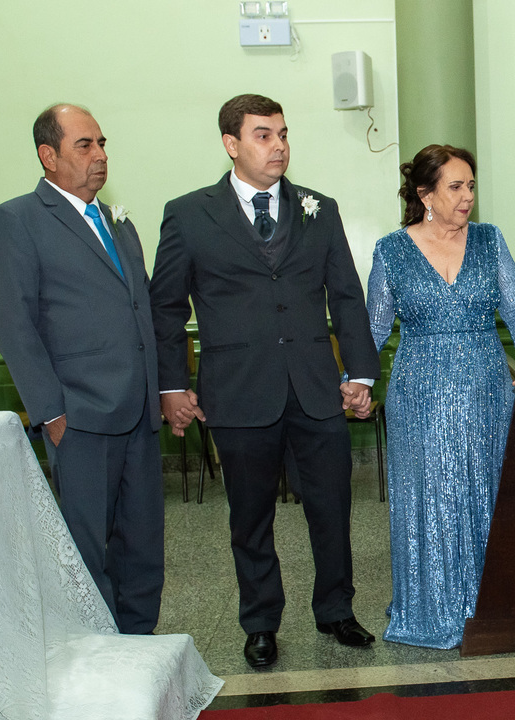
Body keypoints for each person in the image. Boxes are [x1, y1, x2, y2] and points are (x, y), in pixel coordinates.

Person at [149, 94, 379, 669]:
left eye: (282, 134)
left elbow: (347, 297)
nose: (278, 145)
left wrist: (360, 373)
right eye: (262, 135)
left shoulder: (317, 209)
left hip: (315, 388)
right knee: (249, 517)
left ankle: (336, 610)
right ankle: (260, 622)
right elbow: (167, 307)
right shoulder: (188, 213)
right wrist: (172, 384)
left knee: (331, 506)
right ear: (231, 144)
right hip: (238, 389)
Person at [366, 145, 515, 649]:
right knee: (430, 497)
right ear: (426, 194)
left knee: (484, 490)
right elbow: (373, 328)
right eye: (456, 187)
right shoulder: (391, 250)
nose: (468, 196)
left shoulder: (491, 241)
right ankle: (429, 607)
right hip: (419, 394)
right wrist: (356, 381)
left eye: (471, 185)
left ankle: (487, 601)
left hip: (485, 388)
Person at [0, 104, 164, 634]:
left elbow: (138, 310)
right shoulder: (16, 220)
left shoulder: (115, 221)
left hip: (138, 411)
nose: (100, 155)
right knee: (88, 548)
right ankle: (100, 653)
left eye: (102, 143)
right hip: (79, 414)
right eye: (85, 145)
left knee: (143, 543)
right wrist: (50, 412)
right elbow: (12, 324)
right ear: (49, 155)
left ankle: (140, 647)